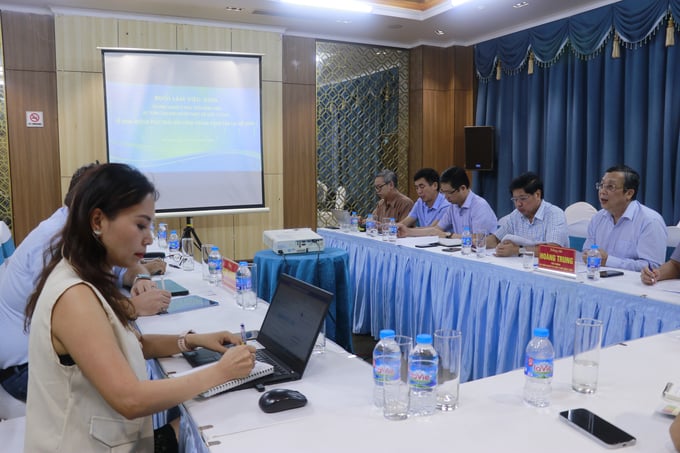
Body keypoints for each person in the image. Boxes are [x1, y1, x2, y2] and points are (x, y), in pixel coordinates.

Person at [23, 163, 256, 451]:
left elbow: (130, 344)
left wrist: (191, 341)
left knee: (195, 424)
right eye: (140, 225)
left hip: (109, 439)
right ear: (98, 221)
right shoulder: (75, 296)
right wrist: (221, 373)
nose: (148, 238)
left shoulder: (84, 273)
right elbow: (130, 399)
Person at [0, 164, 170, 405]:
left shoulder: (79, 235)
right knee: (143, 379)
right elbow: (81, 320)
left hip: (45, 358)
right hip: (25, 370)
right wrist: (133, 307)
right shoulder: (54, 243)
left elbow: (122, 269)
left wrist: (141, 276)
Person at [582, 165, 667, 271]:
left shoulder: (650, 221)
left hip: (634, 285)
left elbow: (653, 267)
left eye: (610, 187)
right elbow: (587, 250)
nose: (602, 191)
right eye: (601, 185)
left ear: (629, 193)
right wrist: (587, 255)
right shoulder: (598, 218)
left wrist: (609, 261)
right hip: (599, 279)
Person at [398, 166, 496, 238]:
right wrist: (408, 232)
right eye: (443, 192)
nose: (446, 197)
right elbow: (436, 229)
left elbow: (478, 238)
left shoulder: (479, 206)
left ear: (463, 188)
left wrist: (448, 235)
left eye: (449, 193)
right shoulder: (453, 206)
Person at [487, 172, 569, 256]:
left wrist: (518, 250)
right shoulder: (516, 215)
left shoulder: (555, 214)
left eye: (523, 198)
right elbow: (496, 239)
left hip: (550, 267)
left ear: (537, 195)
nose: (518, 204)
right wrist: (479, 243)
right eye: (515, 199)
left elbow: (553, 250)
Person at [396, 168, 450, 234]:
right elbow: (405, 222)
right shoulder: (420, 202)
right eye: (416, 188)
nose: (419, 191)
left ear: (435, 185)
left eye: (422, 187)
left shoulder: (446, 205)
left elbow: (433, 230)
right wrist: (386, 227)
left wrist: (408, 231)